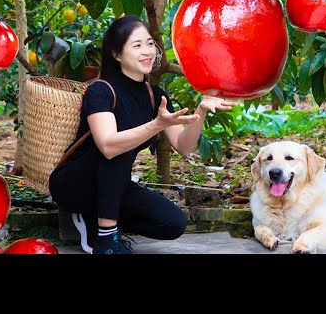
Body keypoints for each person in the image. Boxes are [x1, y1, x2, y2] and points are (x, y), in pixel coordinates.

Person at [48, 14, 237, 254]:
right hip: (74, 185)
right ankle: (106, 239)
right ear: (117, 55)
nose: (147, 51)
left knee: (173, 223)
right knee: (120, 145)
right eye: (137, 46)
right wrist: (155, 125)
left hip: (112, 186)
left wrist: (201, 110)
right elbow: (108, 146)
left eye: (150, 43)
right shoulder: (101, 91)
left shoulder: (154, 95)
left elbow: (184, 146)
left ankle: (97, 220)